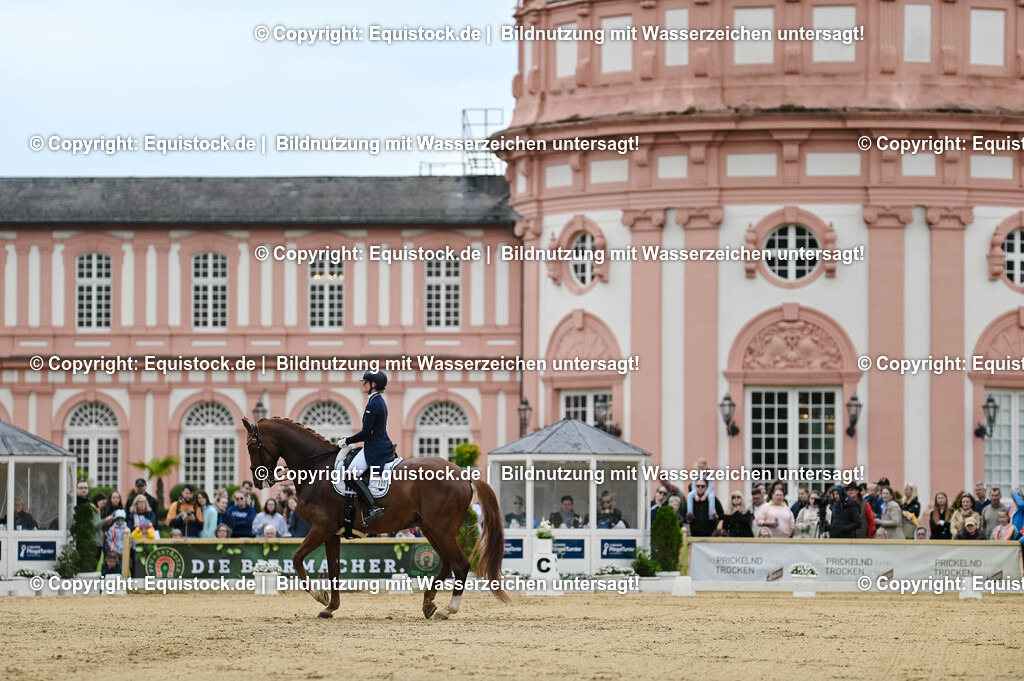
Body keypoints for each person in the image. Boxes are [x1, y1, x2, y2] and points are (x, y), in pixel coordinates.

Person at [340, 369, 392, 522]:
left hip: (375, 447)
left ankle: (373, 506)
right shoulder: (376, 400)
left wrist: (347, 441)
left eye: (365, 382)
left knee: (349, 474)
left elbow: (365, 433)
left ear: (373, 384)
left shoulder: (374, 404)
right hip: (378, 443)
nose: (363, 384)